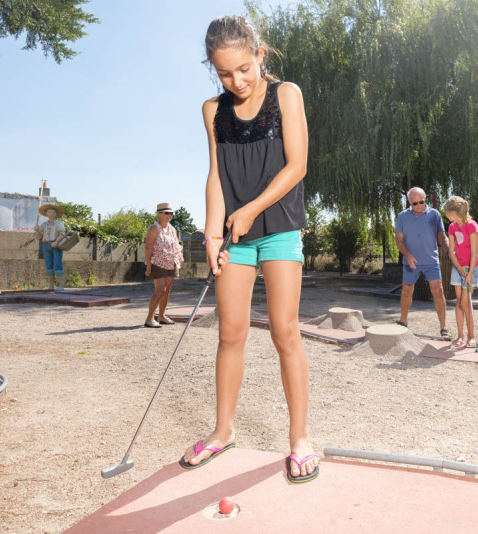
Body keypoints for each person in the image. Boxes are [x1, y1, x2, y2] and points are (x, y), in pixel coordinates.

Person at [179, 15, 318, 483]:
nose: (235, 81)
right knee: (230, 332)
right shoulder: (211, 110)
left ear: (260, 55)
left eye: (243, 68)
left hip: (278, 226)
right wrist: (213, 233)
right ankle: (223, 431)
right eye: (223, 73)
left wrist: (251, 209)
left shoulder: (286, 95)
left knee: (284, 331)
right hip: (234, 234)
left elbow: (296, 166)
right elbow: (217, 176)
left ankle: (299, 439)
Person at [394, 187, 450, 339]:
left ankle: (443, 328)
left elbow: (441, 236)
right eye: (414, 203)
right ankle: (403, 322)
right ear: (409, 202)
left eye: (421, 202)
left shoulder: (434, 215)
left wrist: (448, 248)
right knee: (406, 290)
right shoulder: (402, 216)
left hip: (431, 261)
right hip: (410, 261)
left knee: (438, 290)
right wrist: (407, 254)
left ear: (425, 200)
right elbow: (398, 240)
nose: (418, 206)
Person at [443, 196, 478, 349]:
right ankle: (460, 336)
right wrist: (459, 269)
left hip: (472, 268)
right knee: (459, 302)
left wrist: (469, 273)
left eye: (447, 212)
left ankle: (471, 337)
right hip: (458, 267)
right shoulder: (452, 227)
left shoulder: (472, 226)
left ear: (453, 212)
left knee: (465, 303)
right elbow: (451, 252)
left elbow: (474, 253)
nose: (446, 215)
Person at [143, 202, 184, 328]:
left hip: (171, 262)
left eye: (171, 213)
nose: (169, 215)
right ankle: (150, 318)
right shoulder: (154, 228)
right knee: (160, 290)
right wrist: (149, 266)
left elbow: (176, 245)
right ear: (159, 214)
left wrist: (178, 260)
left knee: (166, 290)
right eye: (166, 213)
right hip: (158, 263)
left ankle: (161, 316)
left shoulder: (172, 229)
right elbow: (148, 247)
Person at [33, 203, 66, 289]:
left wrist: (56, 242)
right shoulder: (43, 225)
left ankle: (61, 285)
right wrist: (37, 230)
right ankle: (51, 285)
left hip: (56, 246)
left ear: (56, 214)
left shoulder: (59, 223)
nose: (51, 214)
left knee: (57, 264)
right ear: (46, 214)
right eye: (49, 212)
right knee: (49, 265)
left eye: (53, 212)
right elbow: (38, 237)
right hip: (45, 245)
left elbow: (62, 234)